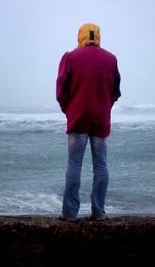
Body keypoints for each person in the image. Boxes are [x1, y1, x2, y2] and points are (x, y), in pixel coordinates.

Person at [56, 22, 121, 221]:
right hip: (100, 119)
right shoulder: (111, 59)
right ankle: (99, 212)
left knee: (74, 165)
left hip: (78, 118)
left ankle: (69, 213)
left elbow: (60, 91)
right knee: (101, 165)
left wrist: (70, 110)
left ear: (81, 35)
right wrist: (104, 107)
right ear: (98, 36)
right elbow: (115, 91)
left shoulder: (70, 57)